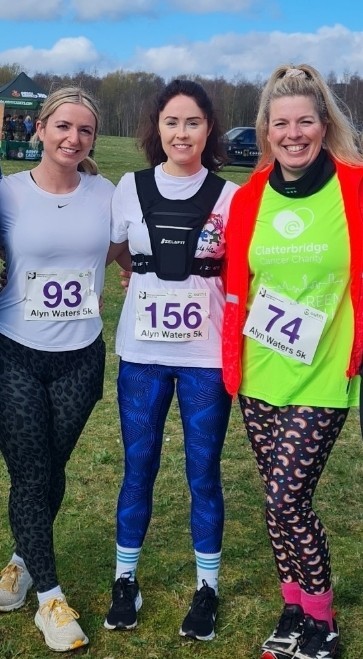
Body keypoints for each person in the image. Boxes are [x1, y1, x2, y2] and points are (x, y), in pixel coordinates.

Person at [222, 63, 363, 659]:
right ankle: (292, 607)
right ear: (266, 130)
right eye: (282, 123)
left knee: (287, 498)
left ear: (324, 123)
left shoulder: (354, 187)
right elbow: (236, 280)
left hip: (325, 371)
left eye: (306, 120)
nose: (294, 133)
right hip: (261, 370)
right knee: (274, 499)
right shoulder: (250, 197)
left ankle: (322, 621)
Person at [104, 78, 239, 642]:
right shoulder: (129, 188)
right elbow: (115, 249)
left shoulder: (230, 197)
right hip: (142, 355)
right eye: (171, 122)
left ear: (209, 130)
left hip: (205, 358)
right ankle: (124, 580)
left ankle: (206, 587)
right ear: (155, 129)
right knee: (139, 468)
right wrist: (138, 270)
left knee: (202, 474)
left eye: (192, 122)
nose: (181, 132)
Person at [0, 87, 115, 652]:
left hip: (80, 356)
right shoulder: (7, 194)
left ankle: (19, 565)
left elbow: (122, 248)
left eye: (85, 131)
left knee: (51, 466)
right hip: (14, 351)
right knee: (30, 473)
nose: (74, 139)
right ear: (40, 129)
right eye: (63, 127)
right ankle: (50, 598)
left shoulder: (106, 193)